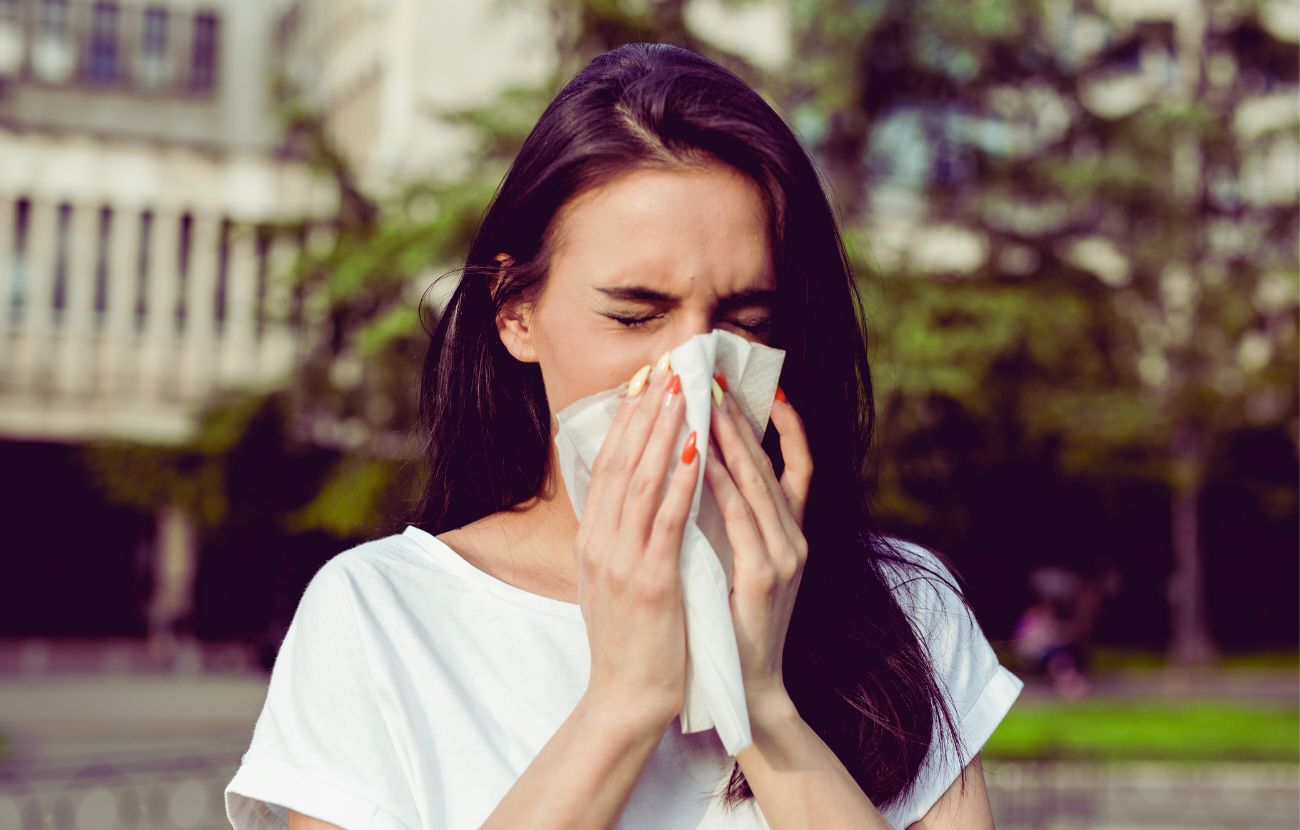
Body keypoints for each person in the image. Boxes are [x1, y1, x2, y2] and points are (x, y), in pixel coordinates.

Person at [224, 43, 1024, 830]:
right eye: (634, 315)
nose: (690, 369)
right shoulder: (382, 614)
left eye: (746, 322)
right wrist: (621, 706)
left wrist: (765, 706)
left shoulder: (902, 605)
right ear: (516, 312)